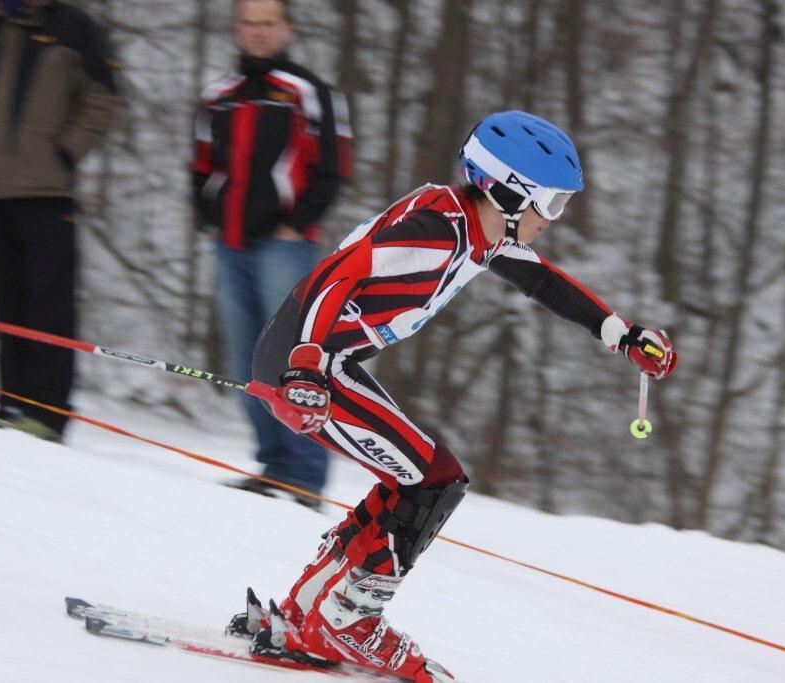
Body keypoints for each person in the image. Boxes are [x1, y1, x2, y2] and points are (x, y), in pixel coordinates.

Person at [228, 111, 678, 681]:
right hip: (310, 366)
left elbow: (542, 280)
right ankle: (348, 622)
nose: (554, 220)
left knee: (419, 477)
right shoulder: (438, 231)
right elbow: (337, 274)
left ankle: (308, 615)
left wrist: (622, 334)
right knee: (434, 478)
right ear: (512, 195)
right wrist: (308, 364)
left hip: (324, 362)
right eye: (552, 204)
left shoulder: (477, 231)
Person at [192, 0, 352, 505]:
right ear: (237, 28)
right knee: (246, 359)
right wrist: (208, 216)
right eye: (249, 23)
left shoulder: (311, 92)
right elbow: (200, 163)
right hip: (231, 244)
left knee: (292, 360)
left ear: (287, 28)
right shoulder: (219, 94)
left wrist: (297, 222)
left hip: (285, 246)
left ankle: (305, 475)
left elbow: (335, 165)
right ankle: (272, 465)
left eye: (268, 23)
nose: (258, 33)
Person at [0, 0, 122, 442]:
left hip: (46, 192)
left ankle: (46, 412)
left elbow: (104, 93)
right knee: (9, 307)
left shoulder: (72, 26)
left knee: (50, 306)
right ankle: (10, 402)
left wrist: (67, 152)